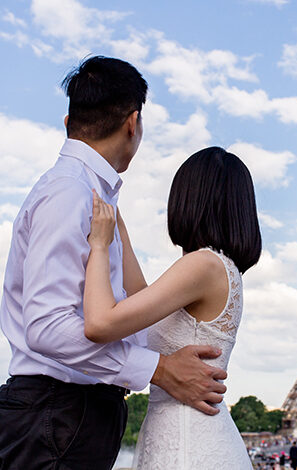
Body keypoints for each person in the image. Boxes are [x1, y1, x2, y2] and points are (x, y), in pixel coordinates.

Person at [0, 56, 228, 470]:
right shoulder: (71, 194)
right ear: (132, 123)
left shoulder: (91, 198)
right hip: (59, 413)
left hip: (64, 414)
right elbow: (47, 326)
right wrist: (159, 369)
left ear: (69, 122)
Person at [84, 146, 262, 468]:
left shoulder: (204, 265)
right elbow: (140, 295)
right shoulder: (217, 269)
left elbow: (99, 323)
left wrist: (99, 245)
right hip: (192, 435)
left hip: (187, 442)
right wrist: (117, 223)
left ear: (187, 200)